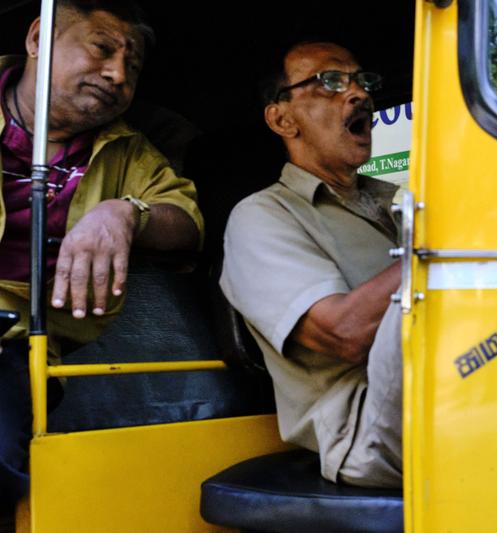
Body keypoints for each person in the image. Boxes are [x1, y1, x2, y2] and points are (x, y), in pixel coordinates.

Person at [0, 0, 204, 522]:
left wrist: (125, 212)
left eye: (131, 66)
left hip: (18, 348)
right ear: (39, 37)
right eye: (102, 49)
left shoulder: (131, 152)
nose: (117, 74)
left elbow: (186, 223)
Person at [220, 41, 402, 488]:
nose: (358, 93)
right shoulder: (261, 217)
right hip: (365, 429)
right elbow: (344, 334)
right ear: (282, 118)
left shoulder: (399, 201)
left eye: (362, 81)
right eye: (331, 82)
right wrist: (447, 242)